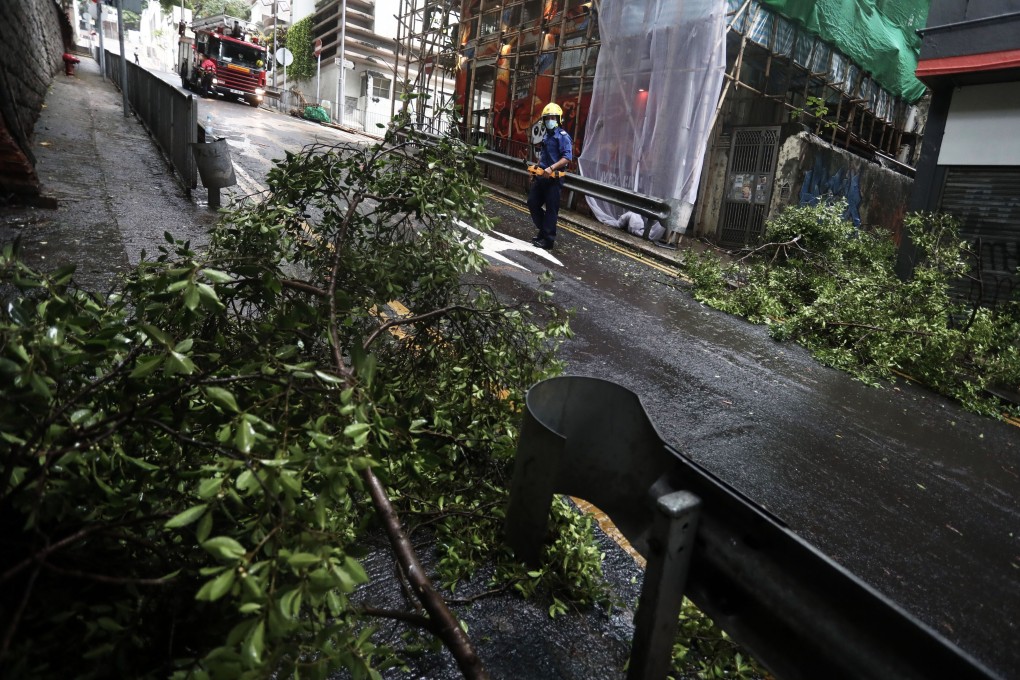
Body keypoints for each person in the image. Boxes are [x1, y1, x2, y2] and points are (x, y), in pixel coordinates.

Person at [527, 103, 573, 250]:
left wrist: (551, 167)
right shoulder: (546, 135)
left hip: (554, 179)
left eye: (552, 118)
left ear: (558, 119)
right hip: (542, 177)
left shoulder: (563, 137)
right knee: (532, 202)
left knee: (551, 210)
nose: (549, 120)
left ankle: (548, 240)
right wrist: (536, 170)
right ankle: (543, 231)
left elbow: (567, 157)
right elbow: (544, 155)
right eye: (547, 118)